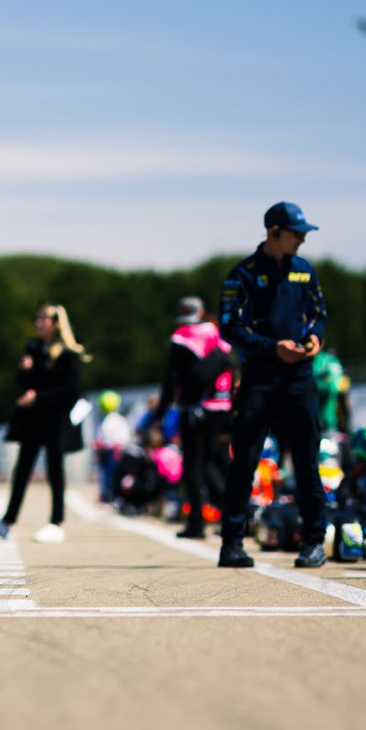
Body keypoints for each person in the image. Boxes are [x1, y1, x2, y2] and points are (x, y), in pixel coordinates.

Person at [215, 202, 331, 570]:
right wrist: (272, 349)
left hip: (299, 379)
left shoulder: (304, 270)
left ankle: (314, 542)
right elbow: (229, 327)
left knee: (308, 462)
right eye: (296, 233)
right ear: (274, 232)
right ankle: (231, 543)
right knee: (245, 459)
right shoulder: (243, 274)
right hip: (260, 379)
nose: (301, 239)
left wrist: (314, 340)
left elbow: (318, 316)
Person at [0, 303, 88, 543]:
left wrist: (38, 396)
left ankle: (56, 522)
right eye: (38, 318)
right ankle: (7, 521)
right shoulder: (33, 348)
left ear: (56, 323)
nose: (38, 323)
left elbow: (71, 389)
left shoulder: (68, 353)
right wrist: (25, 371)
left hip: (56, 418)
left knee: (54, 470)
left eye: (44, 319)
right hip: (33, 418)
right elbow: (23, 381)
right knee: (22, 469)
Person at [152, 295, 233, 540]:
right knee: (213, 462)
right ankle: (233, 513)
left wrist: (161, 413)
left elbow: (171, 379)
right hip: (223, 407)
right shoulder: (217, 334)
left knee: (194, 467)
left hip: (196, 410)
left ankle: (196, 522)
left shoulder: (181, 337)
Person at [93, 390, 132, 504]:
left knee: (113, 474)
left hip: (114, 451)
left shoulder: (117, 419)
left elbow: (122, 437)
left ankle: (112, 495)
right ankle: (106, 495)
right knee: (105, 475)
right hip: (105, 451)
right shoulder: (104, 419)